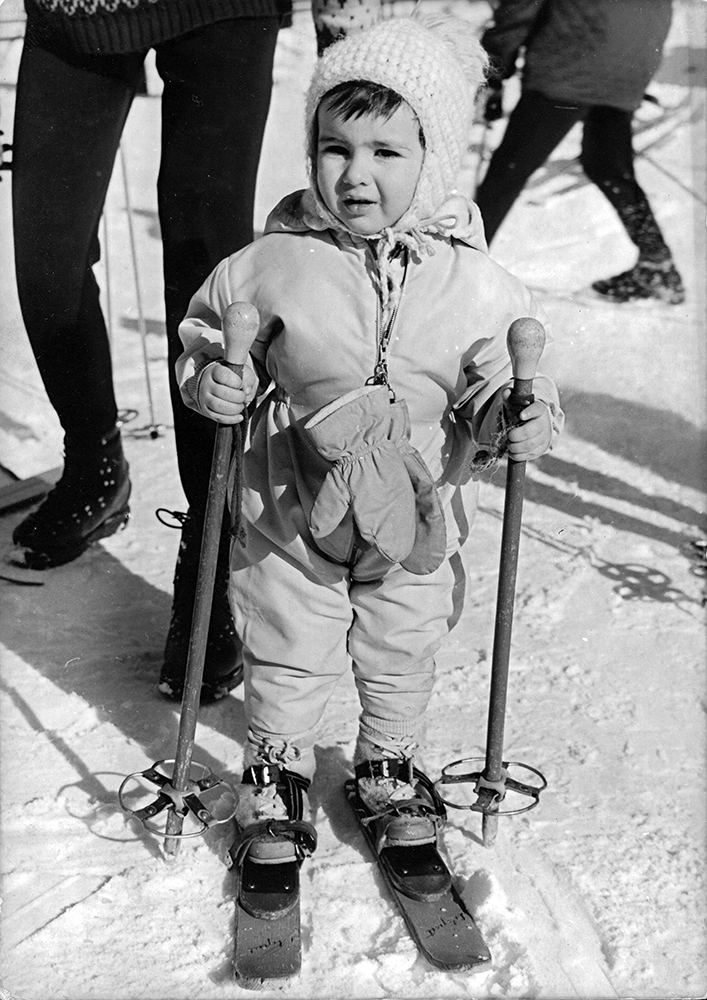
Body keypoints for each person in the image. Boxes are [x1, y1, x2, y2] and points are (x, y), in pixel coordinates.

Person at [174, 14, 564, 910]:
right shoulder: (272, 263)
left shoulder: (477, 283)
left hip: (420, 516)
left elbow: (500, 380)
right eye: (333, 147)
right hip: (289, 509)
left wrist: (517, 414)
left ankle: (386, 764)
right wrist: (213, 381)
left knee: (402, 646)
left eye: (387, 152)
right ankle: (274, 771)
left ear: (431, 157)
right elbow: (207, 336)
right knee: (285, 646)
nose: (355, 174)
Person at [9, 0, 379, 704]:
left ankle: (207, 541)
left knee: (207, 270)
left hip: (220, 9)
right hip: (72, 12)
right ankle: (95, 461)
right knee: (46, 259)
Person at [474, 0, 685, 305]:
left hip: (571, 65)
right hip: (630, 65)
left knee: (507, 173)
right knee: (607, 165)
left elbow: (521, 8)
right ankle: (658, 266)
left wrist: (492, 67)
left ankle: (459, 272)